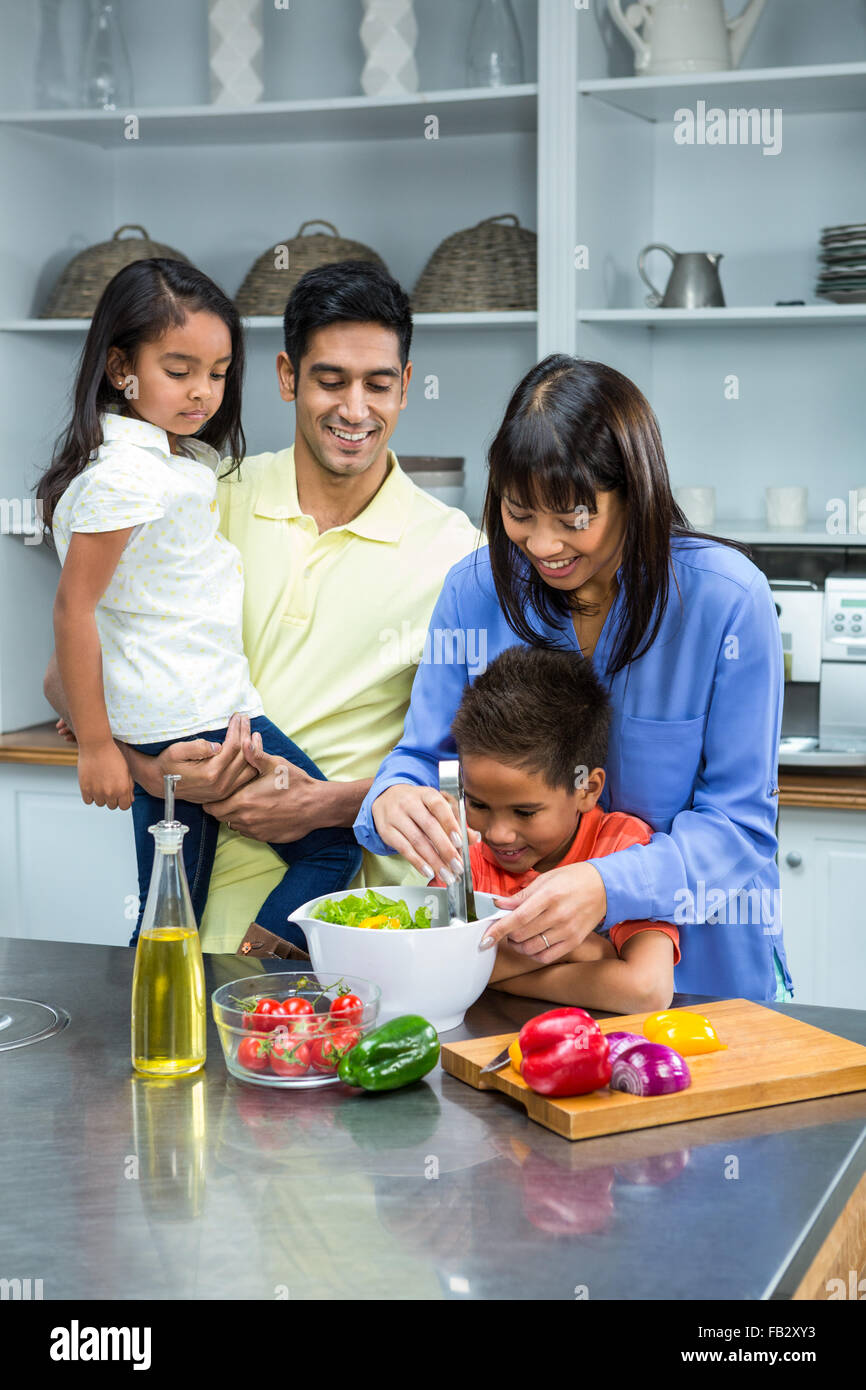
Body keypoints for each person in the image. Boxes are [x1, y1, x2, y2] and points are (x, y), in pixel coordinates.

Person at [45, 260, 481, 955]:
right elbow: (63, 672)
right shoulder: (200, 491)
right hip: (197, 913)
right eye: (330, 380)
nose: (355, 410)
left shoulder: (459, 555)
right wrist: (145, 767)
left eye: (378, 383)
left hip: (353, 931)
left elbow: (478, 771)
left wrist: (330, 804)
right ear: (287, 377)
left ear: (405, 385)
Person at [355, 355, 791, 1003]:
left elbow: (738, 827)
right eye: (519, 512)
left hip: (701, 983)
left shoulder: (727, 600)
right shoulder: (474, 593)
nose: (541, 543)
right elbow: (424, 758)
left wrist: (607, 886)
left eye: (572, 517)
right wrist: (391, 797)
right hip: (520, 983)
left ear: (633, 493)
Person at [429, 645, 680, 1012]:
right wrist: (584, 951)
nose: (498, 834)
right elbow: (435, 973)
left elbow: (647, 990)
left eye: (525, 812)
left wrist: (498, 974)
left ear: (587, 790)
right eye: (478, 804)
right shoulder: (459, 856)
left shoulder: (623, 847)